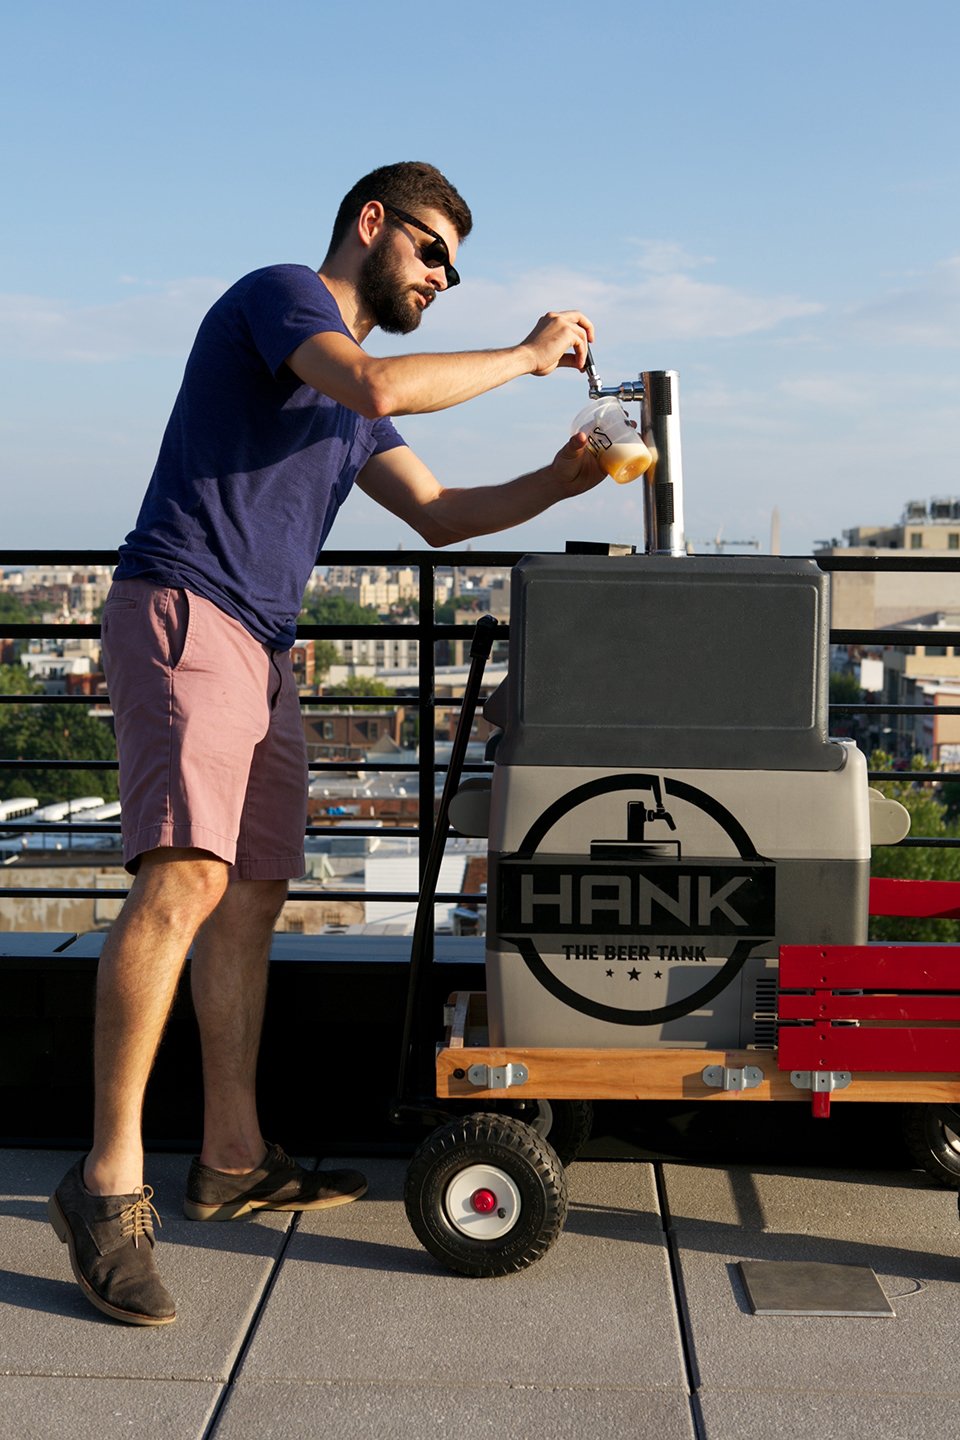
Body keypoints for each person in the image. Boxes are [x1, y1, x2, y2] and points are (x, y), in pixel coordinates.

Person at [47, 161, 603, 1326]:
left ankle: (234, 1160)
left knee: (250, 897)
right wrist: (520, 353)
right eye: (434, 251)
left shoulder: (359, 413)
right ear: (372, 224)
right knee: (184, 879)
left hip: (263, 643)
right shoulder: (283, 296)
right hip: (186, 607)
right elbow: (369, 378)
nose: (444, 277)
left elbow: (443, 515)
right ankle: (106, 1185)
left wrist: (562, 479)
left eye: (456, 265)